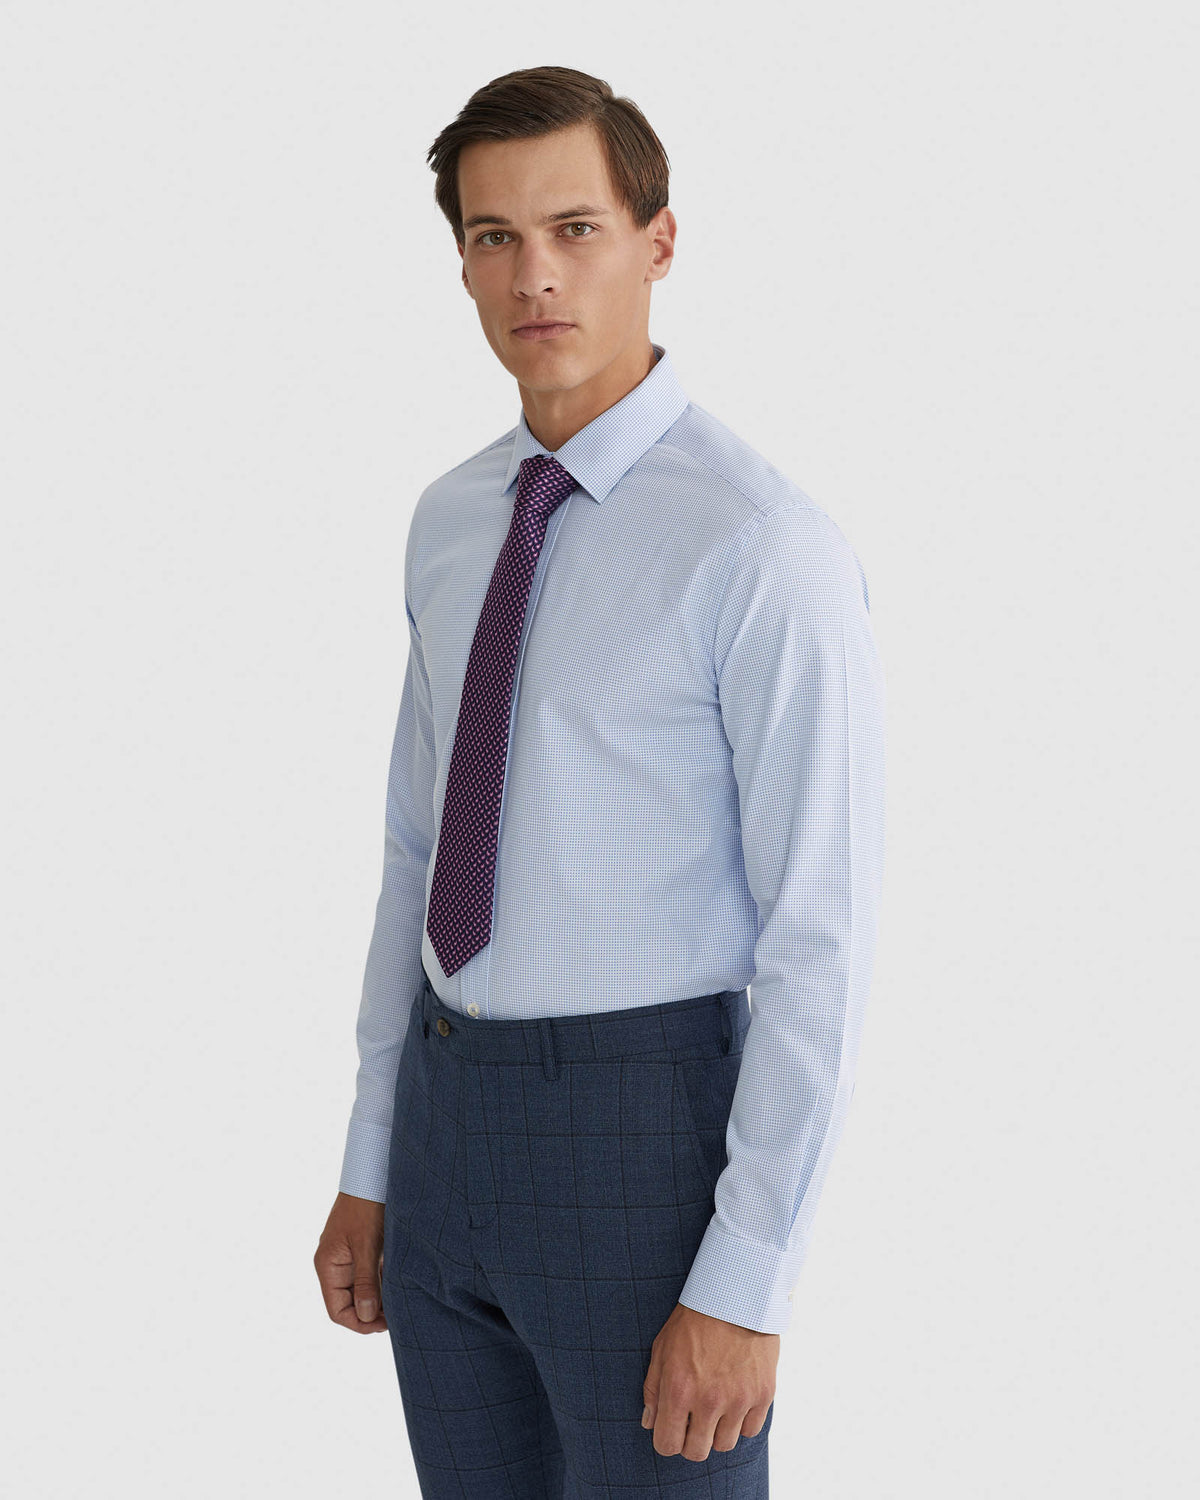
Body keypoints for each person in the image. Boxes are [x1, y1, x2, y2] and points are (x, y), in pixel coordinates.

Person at [314, 63, 886, 1496]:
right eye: (494, 237)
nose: (535, 275)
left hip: (644, 1144)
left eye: (575, 228)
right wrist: (374, 1159)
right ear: (461, 263)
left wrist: (746, 1281)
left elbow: (821, 933)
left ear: (658, 240)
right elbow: (415, 850)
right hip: (443, 1124)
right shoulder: (452, 520)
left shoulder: (760, 544)